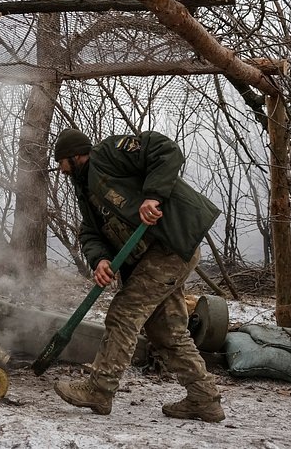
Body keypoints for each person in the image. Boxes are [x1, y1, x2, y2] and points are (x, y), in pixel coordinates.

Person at [51, 128, 225, 423]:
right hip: (151, 257)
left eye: (61, 162)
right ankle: (204, 398)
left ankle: (99, 388)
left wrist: (152, 196)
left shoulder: (108, 153)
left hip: (170, 244)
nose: (61, 170)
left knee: (124, 311)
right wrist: (100, 260)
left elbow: (164, 148)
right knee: (165, 329)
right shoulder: (85, 190)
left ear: (75, 155)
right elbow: (90, 232)